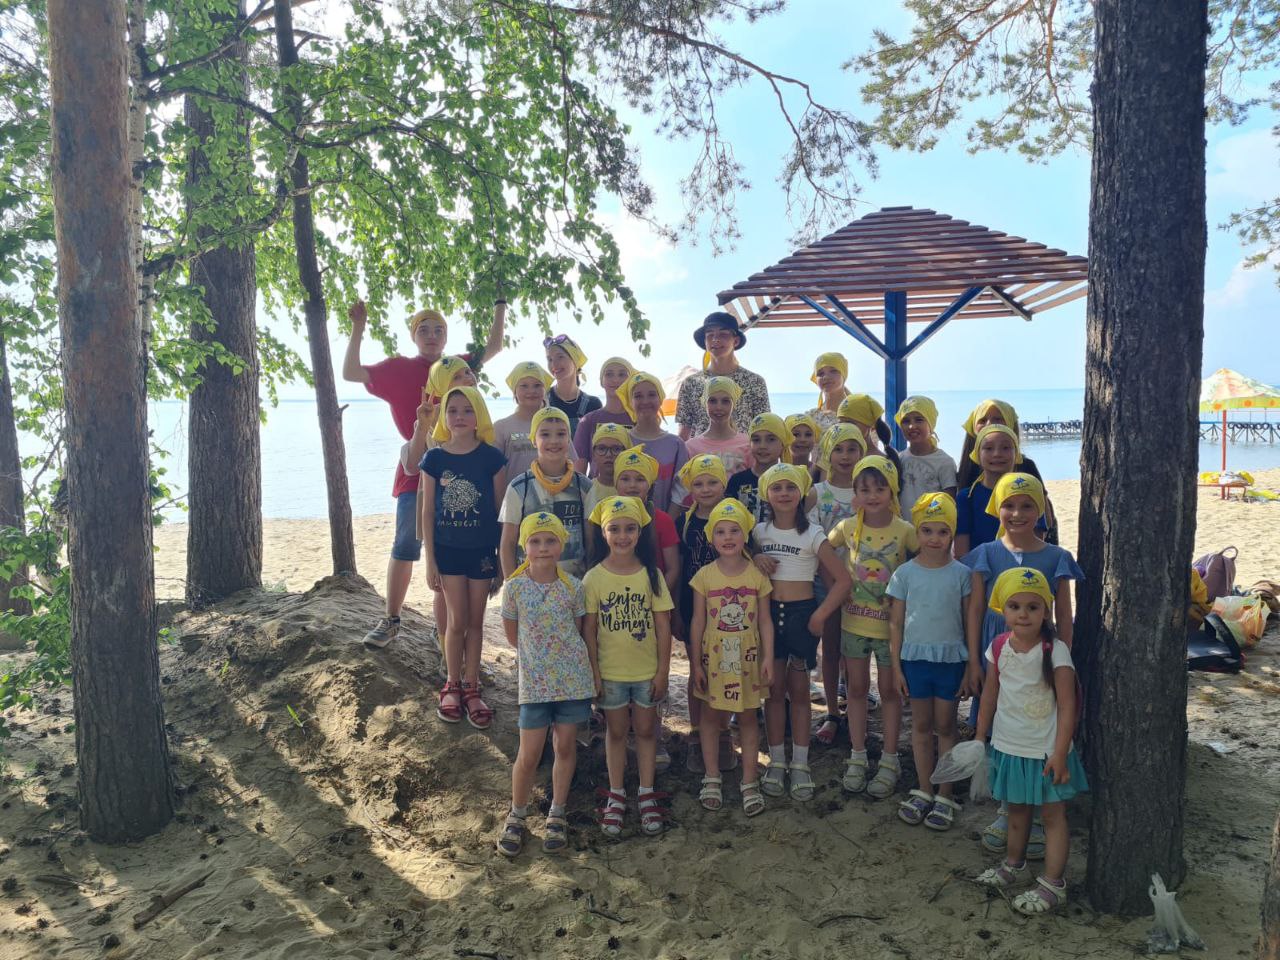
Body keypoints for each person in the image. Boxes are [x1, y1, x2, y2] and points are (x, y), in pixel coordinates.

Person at [344, 299, 504, 650]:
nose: (432, 335)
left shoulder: (458, 367)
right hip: (417, 469)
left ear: (446, 336)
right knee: (405, 544)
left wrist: (499, 301)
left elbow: (494, 346)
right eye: (424, 330)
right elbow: (351, 373)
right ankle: (391, 619)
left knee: (449, 551)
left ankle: (442, 629)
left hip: (463, 477)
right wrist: (358, 328)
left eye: (439, 330)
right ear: (414, 335)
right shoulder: (399, 368)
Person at [962, 472, 1084, 856]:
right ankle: (1008, 808)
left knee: (1038, 724)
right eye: (1009, 505)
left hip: (1042, 656)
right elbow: (975, 609)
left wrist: (1063, 660)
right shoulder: (986, 553)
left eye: (1027, 505)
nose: (1017, 513)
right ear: (996, 509)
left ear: (1041, 509)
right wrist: (973, 661)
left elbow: (1065, 615)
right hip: (997, 651)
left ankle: (1041, 810)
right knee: (1001, 722)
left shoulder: (1056, 557)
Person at [974, 567, 1088, 916]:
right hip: (1010, 746)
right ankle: (1014, 864)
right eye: (1015, 606)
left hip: (1047, 752)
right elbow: (989, 696)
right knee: (1017, 811)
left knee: (1053, 817)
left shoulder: (1056, 651)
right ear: (1003, 610)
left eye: (1033, 607)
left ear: (1046, 611)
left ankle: (1054, 883)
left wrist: (1059, 753)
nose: (1023, 614)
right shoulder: (998, 648)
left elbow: (1067, 706)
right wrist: (980, 736)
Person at [497, 512, 595, 857]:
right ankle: (517, 814)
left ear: (561, 545)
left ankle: (557, 812)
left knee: (565, 747)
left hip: (571, 682)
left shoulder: (574, 587)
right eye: (535, 541)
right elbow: (513, 637)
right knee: (529, 754)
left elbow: (579, 631)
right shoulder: (514, 588)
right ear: (524, 547)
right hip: (534, 686)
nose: (543, 547)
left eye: (550, 540)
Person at [752, 464, 850, 803]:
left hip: (802, 616)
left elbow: (843, 581)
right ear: (766, 494)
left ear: (801, 493)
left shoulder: (814, 534)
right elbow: (743, 561)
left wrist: (820, 615)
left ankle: (800, 763)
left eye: (790, 487)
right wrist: (756, 556)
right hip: (768, 617)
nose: (784, 493)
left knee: (799, 692)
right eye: (776, 488)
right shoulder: (759, 532)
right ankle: (777, 761)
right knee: (773, 691)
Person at [584, 496, 674, 838]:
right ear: (603, 532)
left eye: (630, 529)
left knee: (647, 731)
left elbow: (663, 626)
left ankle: (647, 793)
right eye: (615, 529)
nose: (623, 536)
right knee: (617, 732)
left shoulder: (652, 575)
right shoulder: (594, 578)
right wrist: (594, 673)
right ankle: (617, 794)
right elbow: (589, 630)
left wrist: (662, 672)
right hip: (611, 674)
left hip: (646, 672)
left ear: (640, 532)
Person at [828, 455, 917, 800]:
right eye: (864, 489)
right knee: (856, 689)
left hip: (891, 630)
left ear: (892, 490)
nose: (873, 495)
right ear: (855, 493)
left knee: (890, 691)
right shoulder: (848, 527)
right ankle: (858, 755)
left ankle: (890, 759)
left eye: (880, 488)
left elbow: (925, 563)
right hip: (853, 624)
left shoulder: (905, 530)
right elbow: (822, 549)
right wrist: (837, 585)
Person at [888, 493, 978, 831]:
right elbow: (896, 623)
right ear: (917, 532)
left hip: (950, 661)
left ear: (952, 533)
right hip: (915, 661)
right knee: (921, 726)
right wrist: (896, 668)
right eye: (927, 530)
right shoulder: (904, 574)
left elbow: (969, 621)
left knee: (946, 726)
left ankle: (945, 794)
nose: (934, 538)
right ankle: (924, 789)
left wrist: (970, 666)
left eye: (943, 531)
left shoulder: (962, 574)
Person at [421, 386, 506, 728]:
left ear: (478, 416)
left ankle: (472, 687)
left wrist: (500, 561)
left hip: (482, 552)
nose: (459, 417)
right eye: (453, 410)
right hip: (448, 551)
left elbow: (500, 513)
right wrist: (430, 560)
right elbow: (427, 512)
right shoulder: (434, 459)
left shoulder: (492, 458)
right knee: (456, 621)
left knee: (476, 621)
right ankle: (451, 683)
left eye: (467, 410)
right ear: (444, 416)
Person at [689, 498, 773, 816]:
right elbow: (698, 622)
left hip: (749, 658)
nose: (727, 537)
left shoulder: (757, 576)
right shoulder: (704, 577)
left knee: (749, 717)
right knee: (711, 716)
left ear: (745, 535)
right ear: (711, 538)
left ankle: (749, 781)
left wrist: (768, 657)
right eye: (720, 531)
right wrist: (695, 663)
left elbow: (765, 621)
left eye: (734, 530)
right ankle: (712, 777)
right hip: (714, 658)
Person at [807, 424, 867, 747]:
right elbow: (815, 544)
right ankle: (832, 711)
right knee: (830, 649)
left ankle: (857, 706)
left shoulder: (868, 492)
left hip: (865, 587)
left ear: (862, 453)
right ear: (827, 454)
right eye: (839, 449)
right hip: (826, 583)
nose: (845, 456)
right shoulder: (817, 493)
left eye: (852, 449)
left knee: (857, 651)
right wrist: (834, 587)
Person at [673, 453, 728, 770]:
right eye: (698, 483)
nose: (705, 489)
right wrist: (677, 612)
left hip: (729, 610)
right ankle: (696, 733)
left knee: (726, 670)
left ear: (724, 483)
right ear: (690, 487)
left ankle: (723, 732)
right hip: (692, 607)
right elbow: (679, 568)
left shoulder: (735, 517)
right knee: (698, 670)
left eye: (712, 482)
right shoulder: (685, 522)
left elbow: (750, 554)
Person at [499, 408, 592, 580]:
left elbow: (591, 541)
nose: (554, 441)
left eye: (561, 434)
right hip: (528, 585)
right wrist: (511, 585)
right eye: (545, 434)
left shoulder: (585, 486)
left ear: (569, 439)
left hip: (574, 585)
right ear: (533, 440)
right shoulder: (519, 487)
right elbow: (508, 543)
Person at [954, 399, 1057, 542]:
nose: (990, 424)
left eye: (998, 419)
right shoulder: (968, 469)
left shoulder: (1026, 466)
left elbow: (1044, 517)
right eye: (982, 420)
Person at [674, 312, 770, 438]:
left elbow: (764, 428)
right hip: (699, 451)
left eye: (723, 334)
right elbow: (684, 432)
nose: (715, 339)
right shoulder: (691, 383)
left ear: (736, 341)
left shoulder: (755, 382)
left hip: (743, 450)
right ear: (705, 342)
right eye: (710, 335)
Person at [954, 424, 1040, 559]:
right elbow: (962, 553)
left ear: (1017, 454)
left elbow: (1037, 543)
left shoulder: (1031, 492)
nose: (997, 454)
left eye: (1005, 448)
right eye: (988, 448)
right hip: (978, 568)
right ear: (977, 455)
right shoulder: (966, 497)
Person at [671, 376, 752, 508]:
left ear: (734, 404)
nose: (719, 407)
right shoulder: (690, 447)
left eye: (725, 401)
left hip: (739, 516)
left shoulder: (747, 443)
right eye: (713, 401)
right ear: (705, 403)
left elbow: (753, 484)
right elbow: (681, 492)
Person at [619, 371, 688, 513]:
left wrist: (668, 521)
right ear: (630, 402)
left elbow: (681, 490)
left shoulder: (676, 444)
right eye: (638, 396)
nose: (645, 401)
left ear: (660, 398)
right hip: (624, 522)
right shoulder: (621, 441)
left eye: (651, 395)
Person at [493, 361, 552, 486]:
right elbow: (492, 470)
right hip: (513, 496)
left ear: (545, 390)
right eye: (524, 386)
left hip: (551, 495)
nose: (531, 391)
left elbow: (571, 463)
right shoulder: (501, 427)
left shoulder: (555, 425)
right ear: (514, 391)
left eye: (537, 385)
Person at [894, 396, 957, 512]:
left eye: (919, 420)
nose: (912, 426)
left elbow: (949, 503)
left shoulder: (945, 462)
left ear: (930, 424)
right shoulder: (899, 459)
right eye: (906, 421)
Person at [725, 412, 790, 523]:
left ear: (782, 444)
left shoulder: (791, 481)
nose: (762, 446)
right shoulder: (737, 481)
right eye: (756, 440)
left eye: (771, 439)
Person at [573, 357, 635, 473]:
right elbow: (578, 472)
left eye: (622, 374)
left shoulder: (638, 420)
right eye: (609, 374)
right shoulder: (588, 421)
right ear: (601, 381)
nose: (615, 380)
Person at [544, 334, 601, 438]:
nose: (554, 364)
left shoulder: (593, 404)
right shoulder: (542, 401)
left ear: (575, 360)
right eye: (550, 359)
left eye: (560, 357)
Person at [837, 393, 902, 475]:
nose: (844, 428)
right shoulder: (838, 459)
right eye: (840, 423)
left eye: (850, 423)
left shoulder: (881, 463)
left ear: (871, 425)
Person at [584, 422, 629, 515]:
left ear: (626, 452)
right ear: (594, 454)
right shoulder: (586, 490)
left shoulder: (633, 489)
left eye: (616, 449)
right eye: (602, 448)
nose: (608, 455)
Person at [807, 352, 851, 431]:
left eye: (833, 371)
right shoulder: (812, 416)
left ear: (843, 374)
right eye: (820, 373)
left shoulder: (857, 412)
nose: (826, 377)